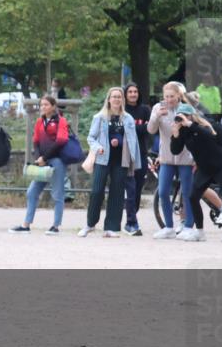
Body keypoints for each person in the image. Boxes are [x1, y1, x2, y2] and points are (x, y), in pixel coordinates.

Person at [170, 104, 222, 243]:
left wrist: (191, 124)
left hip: (221, 165)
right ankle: (200, 232)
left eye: (185, 116)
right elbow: (175, 150)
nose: (182, 119)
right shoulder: (184, 131)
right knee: (193, 197)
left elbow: (208, 137)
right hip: (204, 168)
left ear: (192, 116)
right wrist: (175, 135)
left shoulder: (206, 125)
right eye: (180, 117)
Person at [79, 88, 140, 238]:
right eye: (114, 97)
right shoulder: (99, 117)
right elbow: (91, 138)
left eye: (119, 97)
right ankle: (90, 224)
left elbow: (133, 141)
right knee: (97, 191)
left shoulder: (128, 119)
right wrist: (97, 147)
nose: (117, 99)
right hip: (102, 159)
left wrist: (135, 162)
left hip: (121, 160)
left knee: (117, 193)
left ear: (122, 100)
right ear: (109, 99)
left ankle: (111, 228)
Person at [11, 96, 70, 236]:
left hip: (56, 161)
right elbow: (36, 141)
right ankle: (26, 225)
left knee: (57, 194)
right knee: (31, 192)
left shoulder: (61, 120)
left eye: (46, 104)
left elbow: (61, 141)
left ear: (53, 106)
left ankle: (55, 226)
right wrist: (39, 158)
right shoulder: (39, 121)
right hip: (42, 162)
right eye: (41, 105)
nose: (43, 107)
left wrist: (45, 157)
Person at [148, 82, 195, 239]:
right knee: (162, 192)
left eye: (172, 97)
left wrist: (196, 158)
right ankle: (168, 227)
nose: (169, 100)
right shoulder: (157, 108)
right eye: (166, 96)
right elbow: (151, 130)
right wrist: (156, 117)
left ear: (179, 96)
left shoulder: (186, 108)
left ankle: (189, 226)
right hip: (166, 157)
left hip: (185, 157)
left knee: (188, 193)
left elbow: (195, 132)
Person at [123, 82, 151, 235]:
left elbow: (148, 129)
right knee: (130, 189)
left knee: (138, 188)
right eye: (130, 92)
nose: (133, 94)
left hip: (141, 153)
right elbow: (123, 131)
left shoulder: (145, 110)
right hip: (125, 154)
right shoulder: (122, 110)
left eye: (135, 91)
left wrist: (132, 128)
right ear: (125, 94)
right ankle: (131, 222)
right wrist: (138, 128)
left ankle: (132, 217)